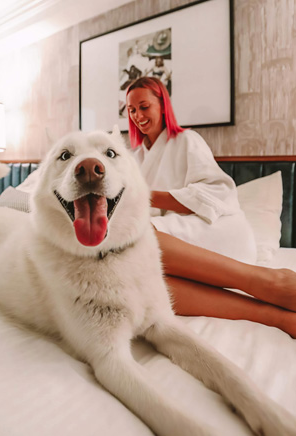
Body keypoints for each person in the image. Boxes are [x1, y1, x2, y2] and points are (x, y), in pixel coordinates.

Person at [125, 76, 296, 338]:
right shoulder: (135, 158)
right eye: (131, 110)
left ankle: (267, 280)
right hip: (170, 244)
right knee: (137, 278)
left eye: (144, 106)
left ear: (162, 104)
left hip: (214, 227)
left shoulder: (187, 141)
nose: (138, 115)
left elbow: (218, 193)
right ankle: (275, 317)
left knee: (136, 236)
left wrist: (144, 197)